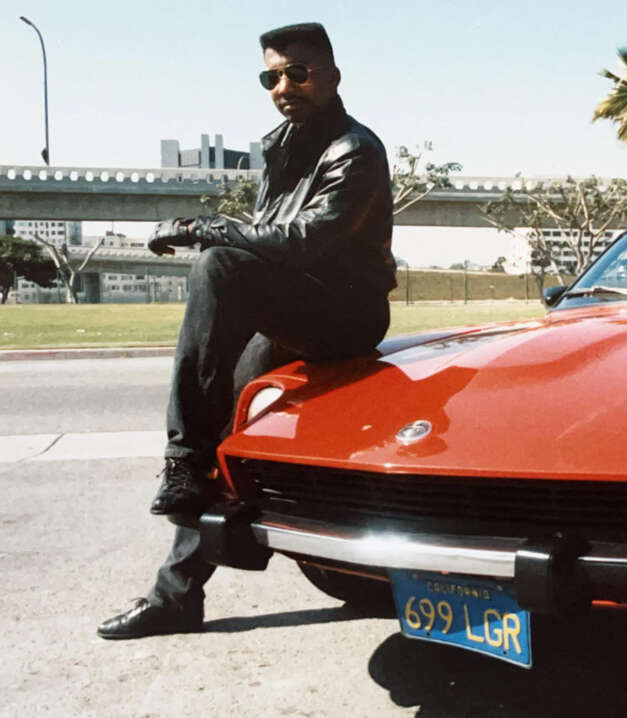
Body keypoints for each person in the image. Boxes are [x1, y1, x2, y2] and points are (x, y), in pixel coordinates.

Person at [98, 22, 396, 639]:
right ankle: (177, 591)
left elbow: (302, 242)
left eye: (299, 72)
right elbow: (268, 243)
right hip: (291, 306)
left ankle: (181, 460)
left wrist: (205, 228)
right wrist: (212, 233)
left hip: (345, 310)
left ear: (332, 77)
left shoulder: (355, 151)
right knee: (225, 426)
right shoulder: (282, 147)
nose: (284, 85)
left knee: (218, 260)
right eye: (272, 76)